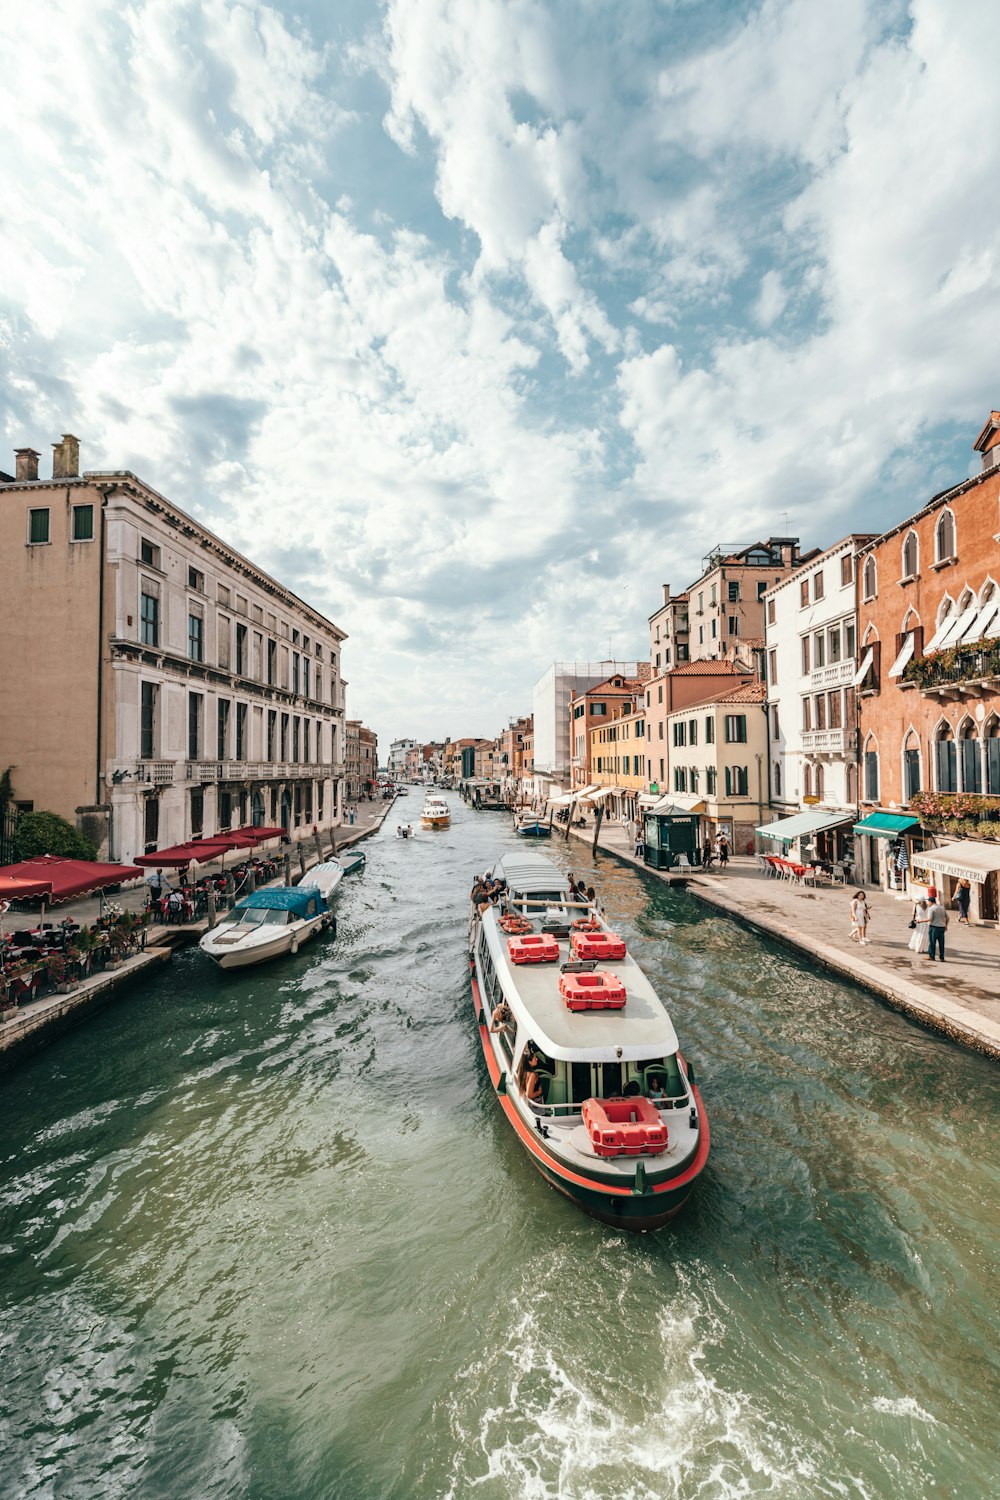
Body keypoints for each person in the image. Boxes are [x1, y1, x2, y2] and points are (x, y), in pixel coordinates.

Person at [926, 895, 948, 962]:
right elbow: (947, 917)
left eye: (928, 902)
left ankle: (931, 956)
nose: (928, 903)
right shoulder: (941, 908)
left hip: (934, 927)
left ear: (930, 902)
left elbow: (930, 919)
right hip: (942, 928)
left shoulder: (931, 909)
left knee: (932, 943)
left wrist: (920, 921)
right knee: (941, 943)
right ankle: (942, 957)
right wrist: (945, 926)